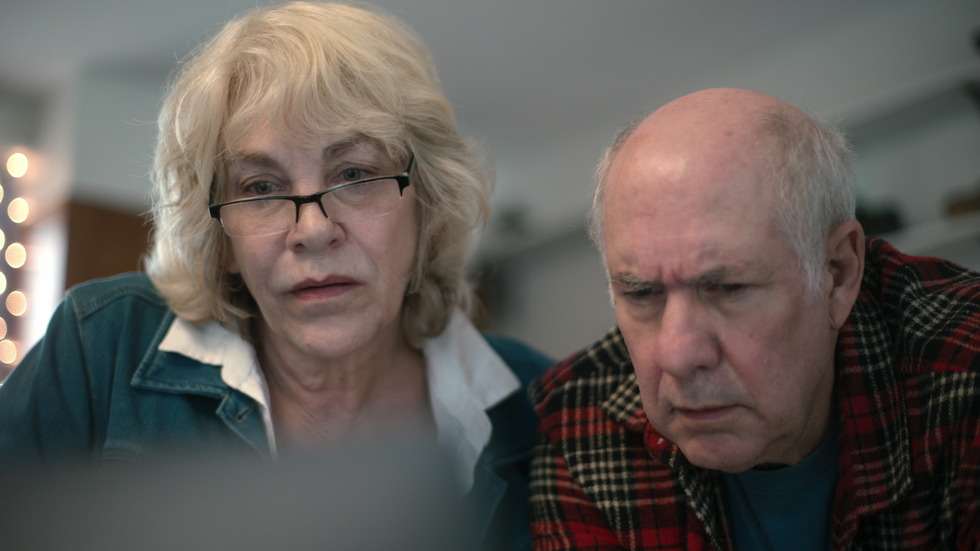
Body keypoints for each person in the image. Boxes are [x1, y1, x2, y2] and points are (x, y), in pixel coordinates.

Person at [0, 3, 550, 550]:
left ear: (427, 210)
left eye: (354, 174)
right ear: (223, 240)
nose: (312, 230)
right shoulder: (102, 348)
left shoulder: (543, 407)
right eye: (261, 187)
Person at [528, 88, 980, 550]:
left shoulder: (964, 372)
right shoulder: (578, 417)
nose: (678, 354)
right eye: (641, 293)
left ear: (838, 274)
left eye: (729, 289)